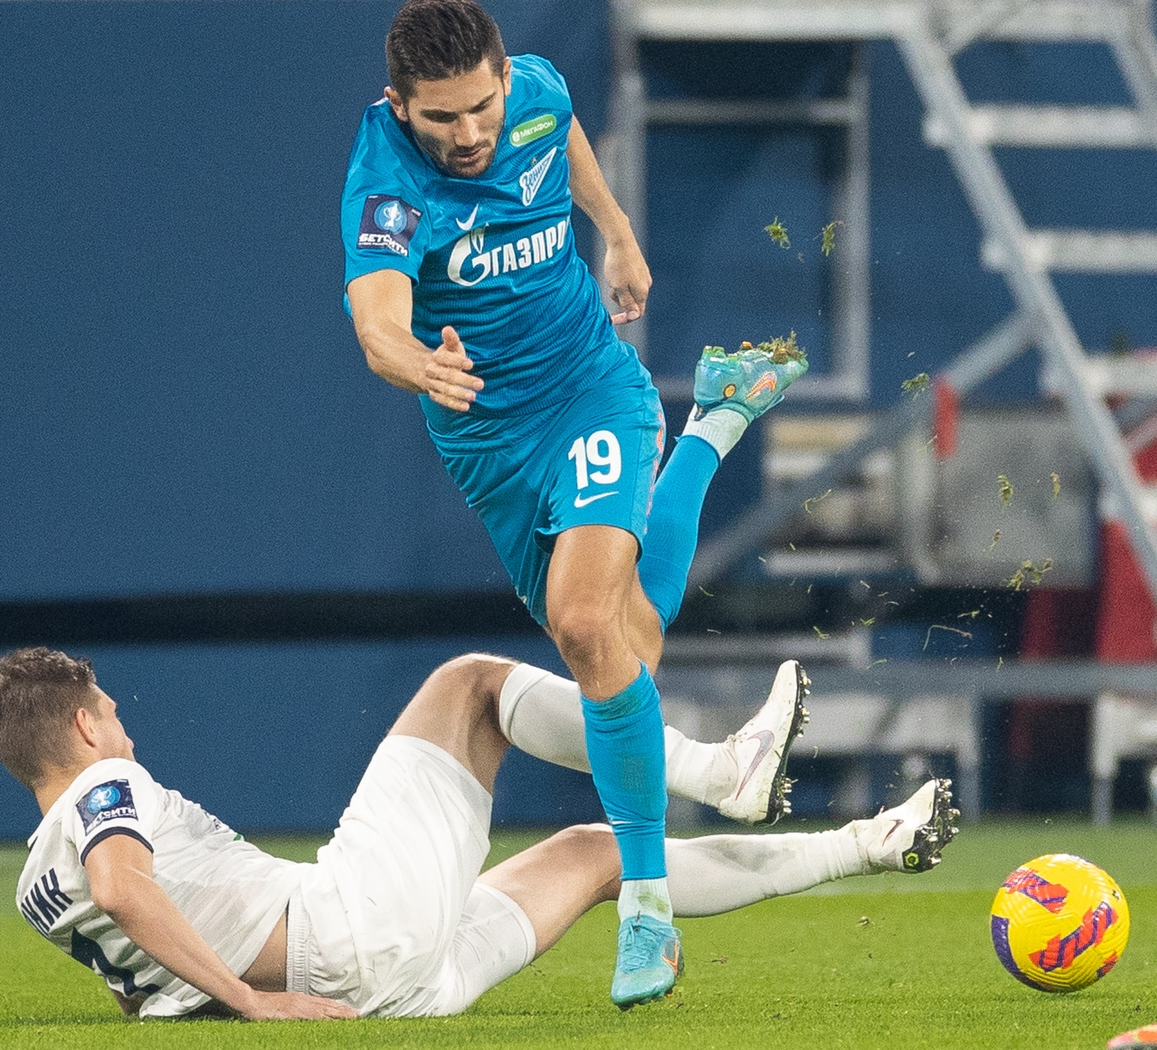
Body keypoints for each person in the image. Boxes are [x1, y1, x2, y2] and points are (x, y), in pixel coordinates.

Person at [340, 0, 810, 1005]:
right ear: (399, 105)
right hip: (488, 438)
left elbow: (566, 142)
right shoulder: (387, 181)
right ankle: (715, 425)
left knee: (585, 622)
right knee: (627, 643)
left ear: (505, 79)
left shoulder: (538, 92)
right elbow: (376, 323)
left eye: (481, 108)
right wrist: (418, 362)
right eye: (441, 118)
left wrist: (618, 235)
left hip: (592, 387)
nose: (468, 133)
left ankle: (646, 911)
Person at [0, 645, 958, 1021]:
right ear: (83, 727)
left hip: (392, 991)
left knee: (600, 853)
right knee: (471, 685)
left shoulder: (32, 889)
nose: (124, 730)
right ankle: (717, 771)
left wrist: (226, 998)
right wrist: (250, 1001)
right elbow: (125, 890)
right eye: (112, 714)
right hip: (348, 930)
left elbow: (134, 974)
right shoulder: (104, 784)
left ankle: (867, 843)